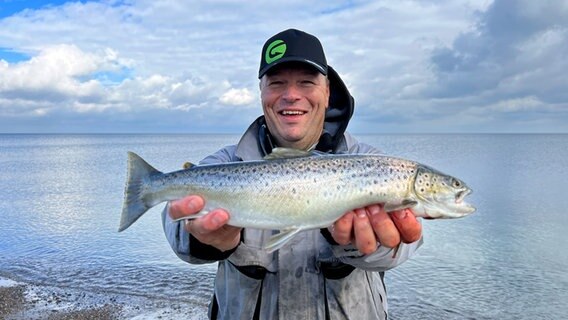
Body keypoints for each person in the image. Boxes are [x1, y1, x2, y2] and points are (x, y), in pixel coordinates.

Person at [162, 28, 423, 319]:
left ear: (327, 92)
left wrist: (364, 244)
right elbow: (174, 220)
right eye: (276, 84)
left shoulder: (375, 165)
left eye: (306, 83)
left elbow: (401, 250)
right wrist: (206, 240)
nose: (291, 96)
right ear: (261, 92)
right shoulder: (226, 161)